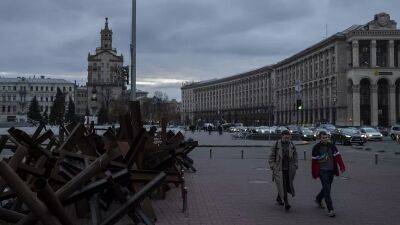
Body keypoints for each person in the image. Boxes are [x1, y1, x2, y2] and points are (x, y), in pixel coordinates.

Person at [312, 131, 346, 217]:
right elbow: (314, 161)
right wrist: (314, 173)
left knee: (327, 188)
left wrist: (342, 167)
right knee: (327, 190)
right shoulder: (316, 147)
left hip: (331, 170)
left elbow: (338, 157)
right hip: (322, 171)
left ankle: (318, 198)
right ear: (320, 138)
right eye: (323, 137)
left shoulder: (332, 146)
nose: (325, 139)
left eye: (326, 137)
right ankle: (331, 209)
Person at [268, 130, 298, 211]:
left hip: (290, 169)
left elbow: (295, 156)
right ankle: (286, 203)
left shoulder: (292, 145)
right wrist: (273, 166)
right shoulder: (276, 144)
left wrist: (295, 165)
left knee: (286, 184)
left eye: (288, 138)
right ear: (281, 136)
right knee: (283, 185)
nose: (287, 139)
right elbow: (271, 156)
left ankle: (279, 198)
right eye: (285, 138)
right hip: (279, 169)